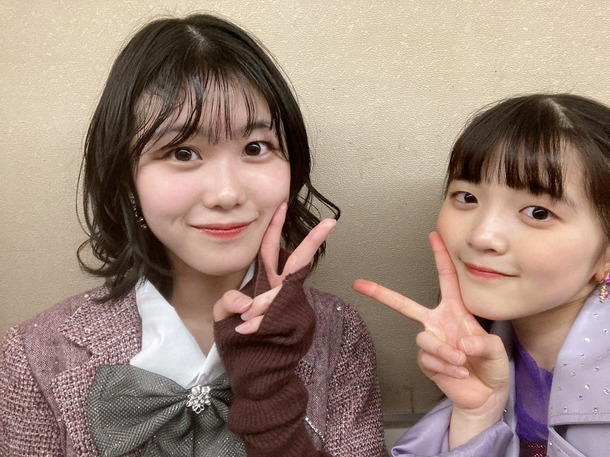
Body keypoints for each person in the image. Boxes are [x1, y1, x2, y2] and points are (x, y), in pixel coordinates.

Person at [0, 14, 387, 456]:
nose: (226, 193)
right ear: (127, 177)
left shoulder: (339, 334)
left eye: (255, 148)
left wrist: (270, 397)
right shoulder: (34, 357)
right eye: (183, 152)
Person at [354, 93, 610, 456]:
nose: (481, 236)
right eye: (467, 197)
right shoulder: (483, 356)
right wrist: (476, 417)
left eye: (537, 212)